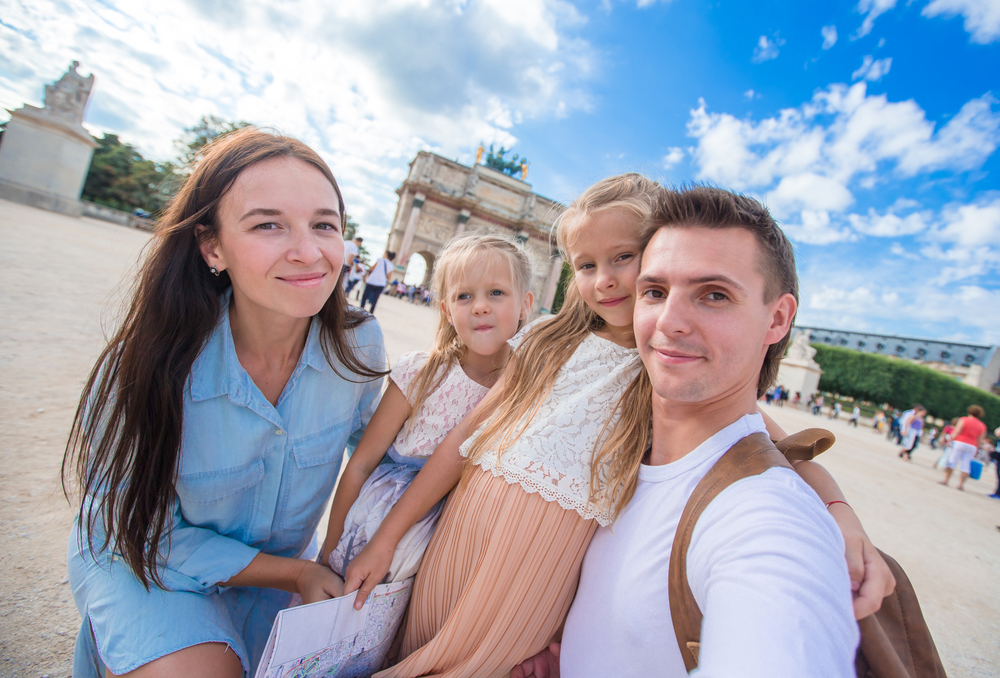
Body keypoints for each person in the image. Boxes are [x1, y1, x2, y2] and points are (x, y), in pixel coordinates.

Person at [347, 178, 888, 678]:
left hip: (536, 572)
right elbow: (459, 445)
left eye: (623, 259)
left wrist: (841, 513)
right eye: (585, 265)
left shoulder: (664, 367)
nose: (604, 280)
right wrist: (387, 539)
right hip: (461, 535)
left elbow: (768, 446)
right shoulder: (545, 342)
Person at [517, 185, 889, 678]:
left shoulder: (768, 526)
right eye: (654, 291)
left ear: (777, 318)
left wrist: (838, 512)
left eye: (714, 295)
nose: (670, 321)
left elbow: (775, 464)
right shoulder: (625, 429)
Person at [63, 129, 387, 678]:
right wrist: (294, 574)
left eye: (324, 225)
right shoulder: (150, 361)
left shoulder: (358, 343)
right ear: (211, 246)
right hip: (149, 562)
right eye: (268, 224)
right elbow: (131, 527)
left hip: (282, 577)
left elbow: (381, 454)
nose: (309, 252)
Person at [314, 234, 534, 590]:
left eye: (496, 292)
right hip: (372, 529)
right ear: (446, 309)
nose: (479, 306)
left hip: (453, 550)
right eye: (464, 295)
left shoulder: (529, 392)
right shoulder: (420, 372)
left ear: (525, 304)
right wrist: (327, 553)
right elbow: (361, 464)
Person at [940, 405, 988, 490]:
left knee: (952, 461)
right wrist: (978, 449)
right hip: (972, 445)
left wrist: (950, 440)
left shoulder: (964, 420)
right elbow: (980, 440)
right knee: (965, 465)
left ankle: (946, 480)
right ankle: (960, 484)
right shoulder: (982, 425)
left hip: (960, 442)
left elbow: (957, 431)